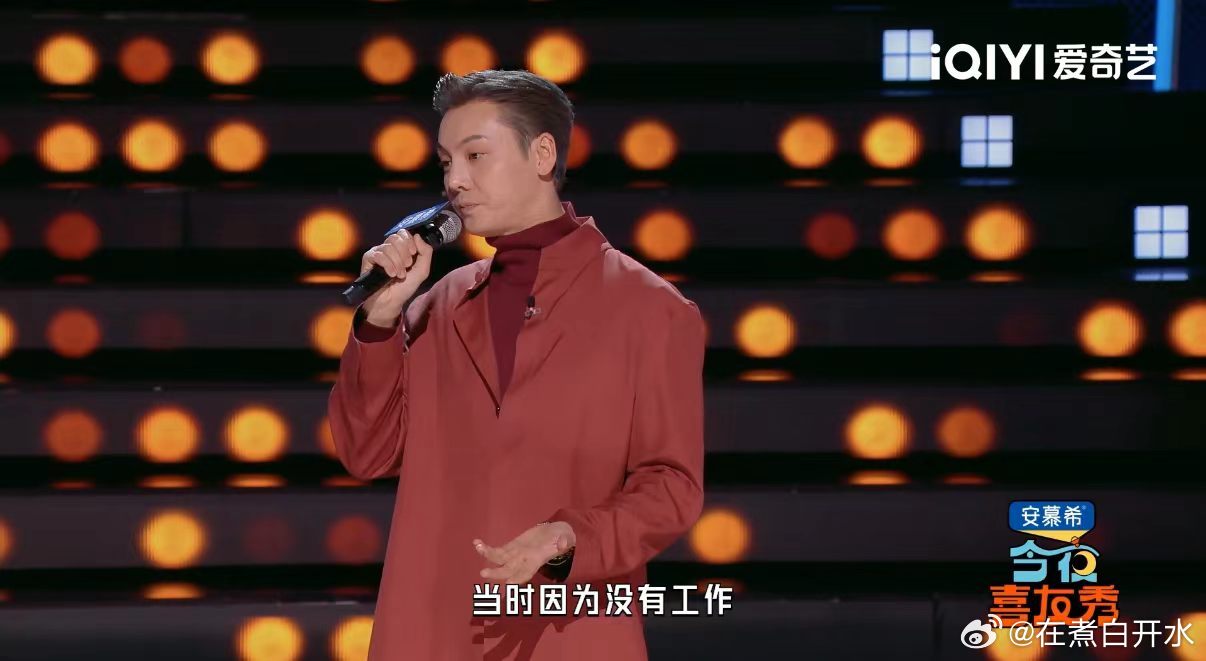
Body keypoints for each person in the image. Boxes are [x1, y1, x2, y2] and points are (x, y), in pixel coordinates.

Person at [327, 69, 706, 661]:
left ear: (543, 154)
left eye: (476, 156)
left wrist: (570, 538)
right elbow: (366, 453)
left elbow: (672, 486)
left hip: (568, 630)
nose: (455, 180)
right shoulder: (439, 304)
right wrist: (379, 321)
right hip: (433, 632)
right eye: (446, 162)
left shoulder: (651, 309)